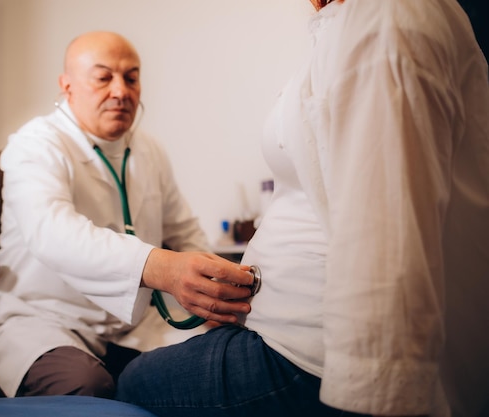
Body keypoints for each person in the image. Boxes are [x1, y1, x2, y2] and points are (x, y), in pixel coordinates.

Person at [115, 1, 489, 416]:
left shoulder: (386, 20)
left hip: (307, 355)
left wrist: (373, 395)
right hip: (278, 332)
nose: (119, 91)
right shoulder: (348, 27)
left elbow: (388, 241)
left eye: (129, 77)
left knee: (131, 384)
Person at [0, 31, 254, 399]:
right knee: (87, 388)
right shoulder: (34, 144)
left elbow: (184, 231)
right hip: (47, 319)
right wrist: (160, 267)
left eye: (131, 77)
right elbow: (52, 232)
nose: (120, 91)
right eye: (103, 77)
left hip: (135, 325)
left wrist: (212, 293)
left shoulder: (148, 149)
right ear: (67, 86)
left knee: (219, 366)